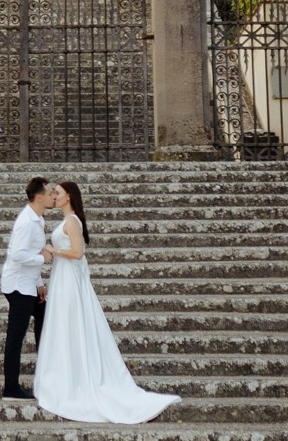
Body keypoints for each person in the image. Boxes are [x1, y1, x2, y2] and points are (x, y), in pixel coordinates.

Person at [33, 181, 179, 423]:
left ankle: (75, 381)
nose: (54, 197)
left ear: (69, 196)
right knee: (64, 326)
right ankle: (66, 377)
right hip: (63, 278)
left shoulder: (72, 221)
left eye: (58, 193)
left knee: (71, 325)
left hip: (69, 280)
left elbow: (78, 254)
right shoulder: (67, 221)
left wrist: (53, 251)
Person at [0, 177, 54, 400]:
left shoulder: (36, 218)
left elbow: (30, 251)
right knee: (16, 337)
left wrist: (39, 283)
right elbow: (17, 255)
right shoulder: (27, 222)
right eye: (50, 193)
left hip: (29, 284)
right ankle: (10, 388)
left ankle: (45, 378)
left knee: (44, 322)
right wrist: (43, 257)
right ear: (39, 197)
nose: (53, 196)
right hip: (18, 287)